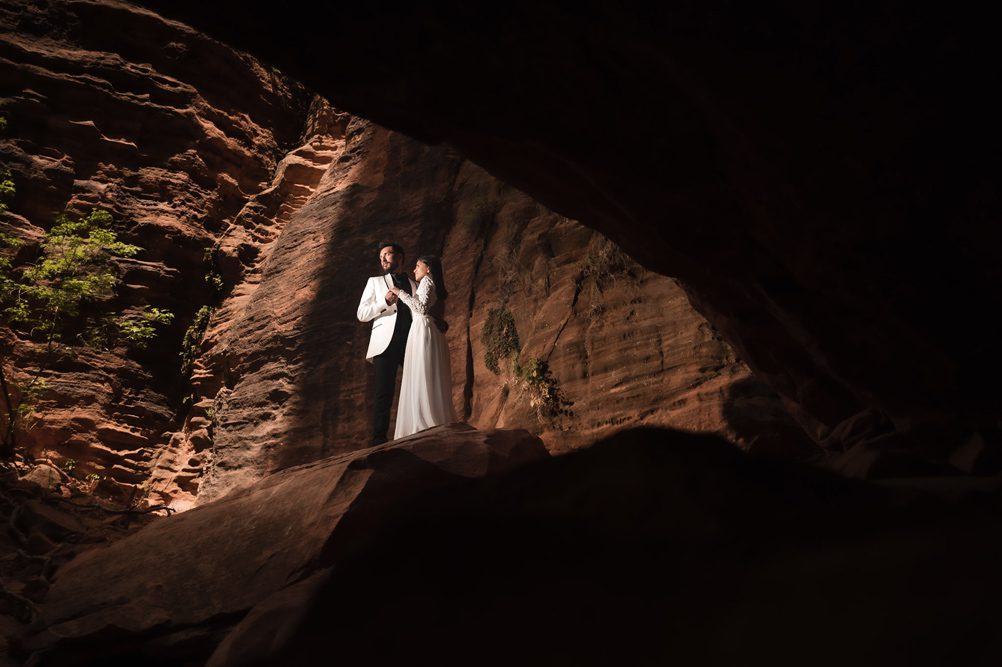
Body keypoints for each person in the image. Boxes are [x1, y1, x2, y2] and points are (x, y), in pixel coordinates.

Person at [389, 255, 456, 439]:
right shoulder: (429, 283)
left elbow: (420, 308)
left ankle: (423, 422)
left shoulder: (427, 281)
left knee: (421, 372)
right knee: (426, 373)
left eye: (418, 266)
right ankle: (430, 418)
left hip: (423, 331)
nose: (414, 269)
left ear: (428, 269)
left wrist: (399, 292)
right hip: (425, 329)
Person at [357, 242, 417, 445]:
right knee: (384, 391)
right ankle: (378, 439)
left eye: (387, 254)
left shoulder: (413, 282)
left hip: (412, 340)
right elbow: (362, 314)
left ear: (400, 256)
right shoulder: (374, 282)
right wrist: (384, 301)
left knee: (415, 386)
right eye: (380, 256)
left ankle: (415, 430)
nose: (383, 259)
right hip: (385, 343)